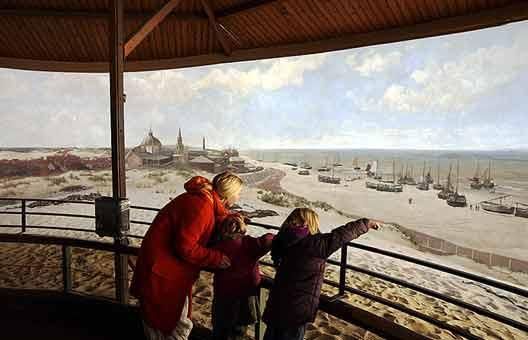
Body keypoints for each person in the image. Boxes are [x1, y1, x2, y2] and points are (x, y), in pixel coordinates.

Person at [130, 172, 243, 340]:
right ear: (229, 194)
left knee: (166, 321)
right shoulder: (202, 205)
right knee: (170, 325)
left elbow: (215, 216)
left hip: (163, 269)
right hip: (163, 273)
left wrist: (231, 218)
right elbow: (186, 246)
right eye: (238, 193)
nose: (239, 196)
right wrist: (216, 258)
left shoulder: (204, 200)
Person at [262, 208, 380, 340]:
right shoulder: (315, 244)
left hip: (276, 304)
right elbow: (342, 235)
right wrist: (366, 223)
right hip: (297, 311)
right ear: (310, 223)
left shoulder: (281, 239)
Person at [210, 215, 274, 340]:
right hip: (246, 295)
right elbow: (267, 239)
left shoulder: (218, 246)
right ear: (242, 228)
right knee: (238, 331)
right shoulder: (249, 243)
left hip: (223, 296)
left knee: (220, 330)